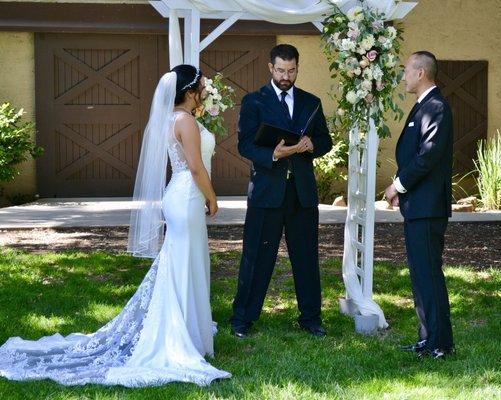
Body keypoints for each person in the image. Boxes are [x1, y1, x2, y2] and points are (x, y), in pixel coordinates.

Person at [0, 65, 231, 386]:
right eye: (202, 86)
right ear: (191, 91)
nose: (205, 90)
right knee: (185, 262)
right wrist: (213, 197)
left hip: (178, 196)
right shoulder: (186, 122)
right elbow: (195, 167)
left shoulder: (171, 119)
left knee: (183, 261)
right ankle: (180, 335)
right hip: (189, 195)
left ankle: (188, 331)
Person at [230, 44, 333, 338]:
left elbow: (324, 140)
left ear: (298, 68)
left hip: (302, 194)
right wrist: (274, 154)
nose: (286, 76)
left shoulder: (311, 102)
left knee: (306, 258)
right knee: (256, 257)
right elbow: (245, 144)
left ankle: (311, 318)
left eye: (291, 70)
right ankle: (242, 319)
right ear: (270, 68)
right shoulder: (254, 102)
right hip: (267, 192)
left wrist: (313, 145)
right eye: (280, 70)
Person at [384, 51, 455, 359]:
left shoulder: (437, 107)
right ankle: (428, 339)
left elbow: (427, 156)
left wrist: (397, 185)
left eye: (407, 71)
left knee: (428, 274)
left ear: (422, 73)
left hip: (427, 209)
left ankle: (441, 344)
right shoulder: (424, 106)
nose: (403, 76)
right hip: (417, 205)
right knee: (420, 274)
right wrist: (404, 190)